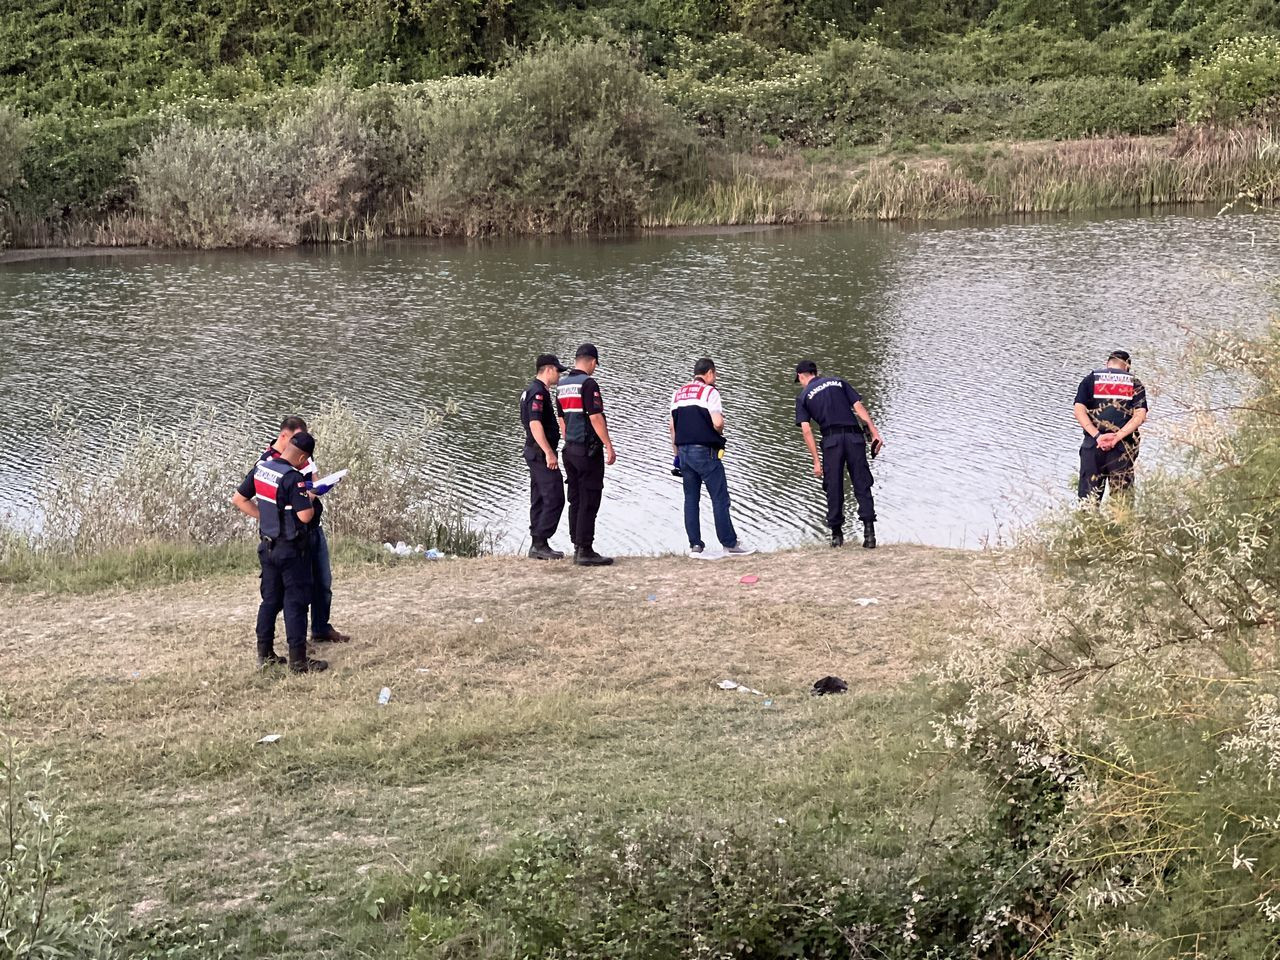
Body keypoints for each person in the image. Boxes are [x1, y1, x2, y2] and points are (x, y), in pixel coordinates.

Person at [233, 415, 350, 645]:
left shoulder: (302, 452)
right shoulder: (265, 463)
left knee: (322, 582)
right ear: (284, 436)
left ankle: (320, 628)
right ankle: (296, 646)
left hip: (312, 530)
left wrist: (315, 487)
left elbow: (313, 479)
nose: (299, 446)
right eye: (295, 439)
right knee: (292, 594)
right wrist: (270, 516)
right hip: (289, 538)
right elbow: (241, 498)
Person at [232, 431, 328, 673]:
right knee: (295, 602)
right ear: (303, 457)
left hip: (267, 546)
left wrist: (266, 517)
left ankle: (265, 654)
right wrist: (311, 495)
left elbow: (239, 499)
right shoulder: (293, 478)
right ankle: (298, 661)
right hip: (291, 549)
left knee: (270, 601)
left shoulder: (262, 468)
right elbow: (305, 516)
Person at [669, 358, 754, 558]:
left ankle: (696, 546)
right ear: (709, 373)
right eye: (714, 375)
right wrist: (720, 427)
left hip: (684, 453)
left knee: (691, 499)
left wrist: (676, 457)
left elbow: (672, 427)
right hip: (705, 452)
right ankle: (730, 543)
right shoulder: (710, 392)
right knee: (719, 498)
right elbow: (717, 422)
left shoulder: (678, 394)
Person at [794, 360, 883, 549]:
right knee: (861, 482)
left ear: (802, 376)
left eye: (799, 379)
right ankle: (869, 535)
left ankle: (836, 536)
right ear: (816, 372)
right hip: (854, 438)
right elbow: (859, 408)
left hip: (832, 442)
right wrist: (874, 433)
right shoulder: (838, 382)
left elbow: (806, 430)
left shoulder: (803, 397)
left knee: (833, 486)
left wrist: (816, 461)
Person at [557, 343, 617, 566]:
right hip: (587, 451)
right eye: (595, 365)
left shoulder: (562, 385)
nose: (594, 369)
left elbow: (562, 420)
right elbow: (596, 417)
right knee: (590, 498)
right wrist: (608, 445)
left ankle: (577, 545)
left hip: (570, 449)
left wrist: (570, 441)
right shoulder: (588, 384)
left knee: (576, 498)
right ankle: (585, 549)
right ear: (591, 361)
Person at [1074, 350, 1148, 502]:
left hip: (1093, 447)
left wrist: (1097, 435)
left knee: (1088, 502)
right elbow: (1140, 415)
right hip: (1122, 449)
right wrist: (1117, 437)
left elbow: (1078, 410)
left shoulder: (1091, 379)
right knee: (1121, 504)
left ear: (1107, 364)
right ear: (1127, 367)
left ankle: (1089, 525)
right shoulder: (1134, 382)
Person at [520, 353, 568, 560]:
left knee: (539, 497)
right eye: (557, 371)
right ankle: (540, 541)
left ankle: (538, 544)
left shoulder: (531, 391)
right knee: (555, 496)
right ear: (548, 370)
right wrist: (549, 452)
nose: (559, 375)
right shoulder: (538, 393)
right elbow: (534, 424)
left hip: (535, 451)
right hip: (540, 453)